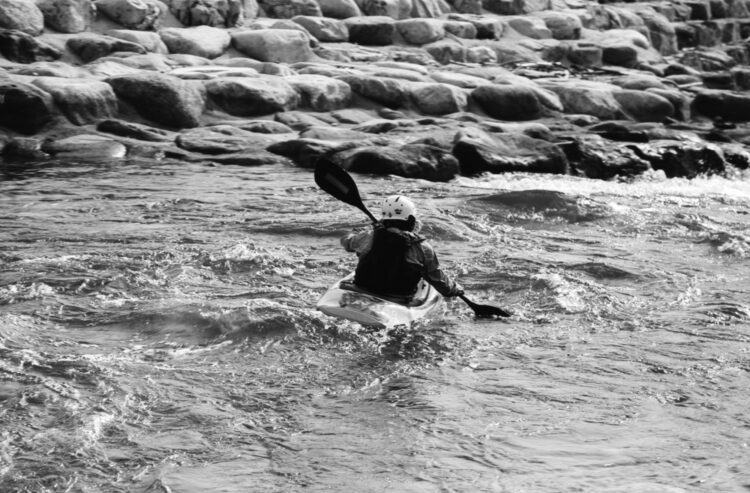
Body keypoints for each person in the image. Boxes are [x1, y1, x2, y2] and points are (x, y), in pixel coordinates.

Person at [340, 195, 464, 302]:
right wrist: (455, 290)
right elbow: (438, 280)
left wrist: (360, 230)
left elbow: (346, 241)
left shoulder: (368, 236)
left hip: (363, 289)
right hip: (398, 298)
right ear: (411, 220)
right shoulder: (422, 247)